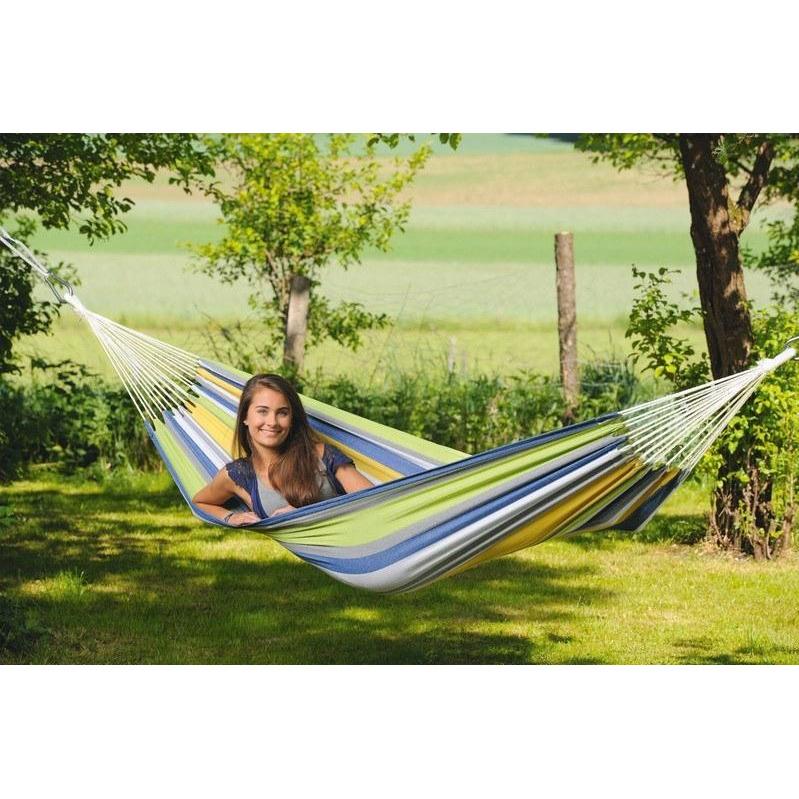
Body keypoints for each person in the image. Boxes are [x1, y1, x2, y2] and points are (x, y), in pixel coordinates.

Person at [193, 373, 373, 525]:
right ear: (245, 418)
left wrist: (301, 517)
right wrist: (230, 517)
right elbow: (200, 502)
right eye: (262, 411)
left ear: (292, 418)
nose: (272, 422)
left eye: (282, 413)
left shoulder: (322, 456)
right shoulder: (239, 475)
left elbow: (375, 501)